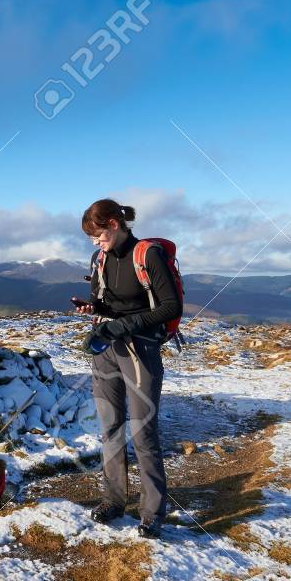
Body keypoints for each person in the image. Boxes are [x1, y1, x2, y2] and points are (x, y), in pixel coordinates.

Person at [74, 198, 181, 538]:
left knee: (143, 432)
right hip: (106, 348)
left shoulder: (147, 255)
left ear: (115, 225)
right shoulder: (100, 258)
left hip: (141, 350)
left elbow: (170, 306)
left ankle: (152, 514)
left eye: (99, 236)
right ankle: (113, 501)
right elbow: (107, 302)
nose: (96, 243)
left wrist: (124, 325)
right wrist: (93, 306)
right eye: (92, 239)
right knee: (110, 427)